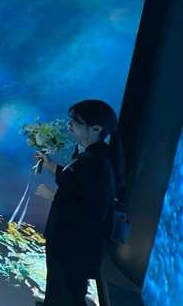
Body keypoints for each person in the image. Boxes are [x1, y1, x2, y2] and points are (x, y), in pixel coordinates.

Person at [35, 100, 119, 306]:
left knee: (66, 293)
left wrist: (53, 196)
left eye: (75, 122)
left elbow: (95, 211)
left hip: (73, 246)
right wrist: (51, 166)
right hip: (66, 241)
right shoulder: (88, 154)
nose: (69, 126)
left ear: (96, 129)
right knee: (60, 288)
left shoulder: (98, 163)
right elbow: (75, 183)